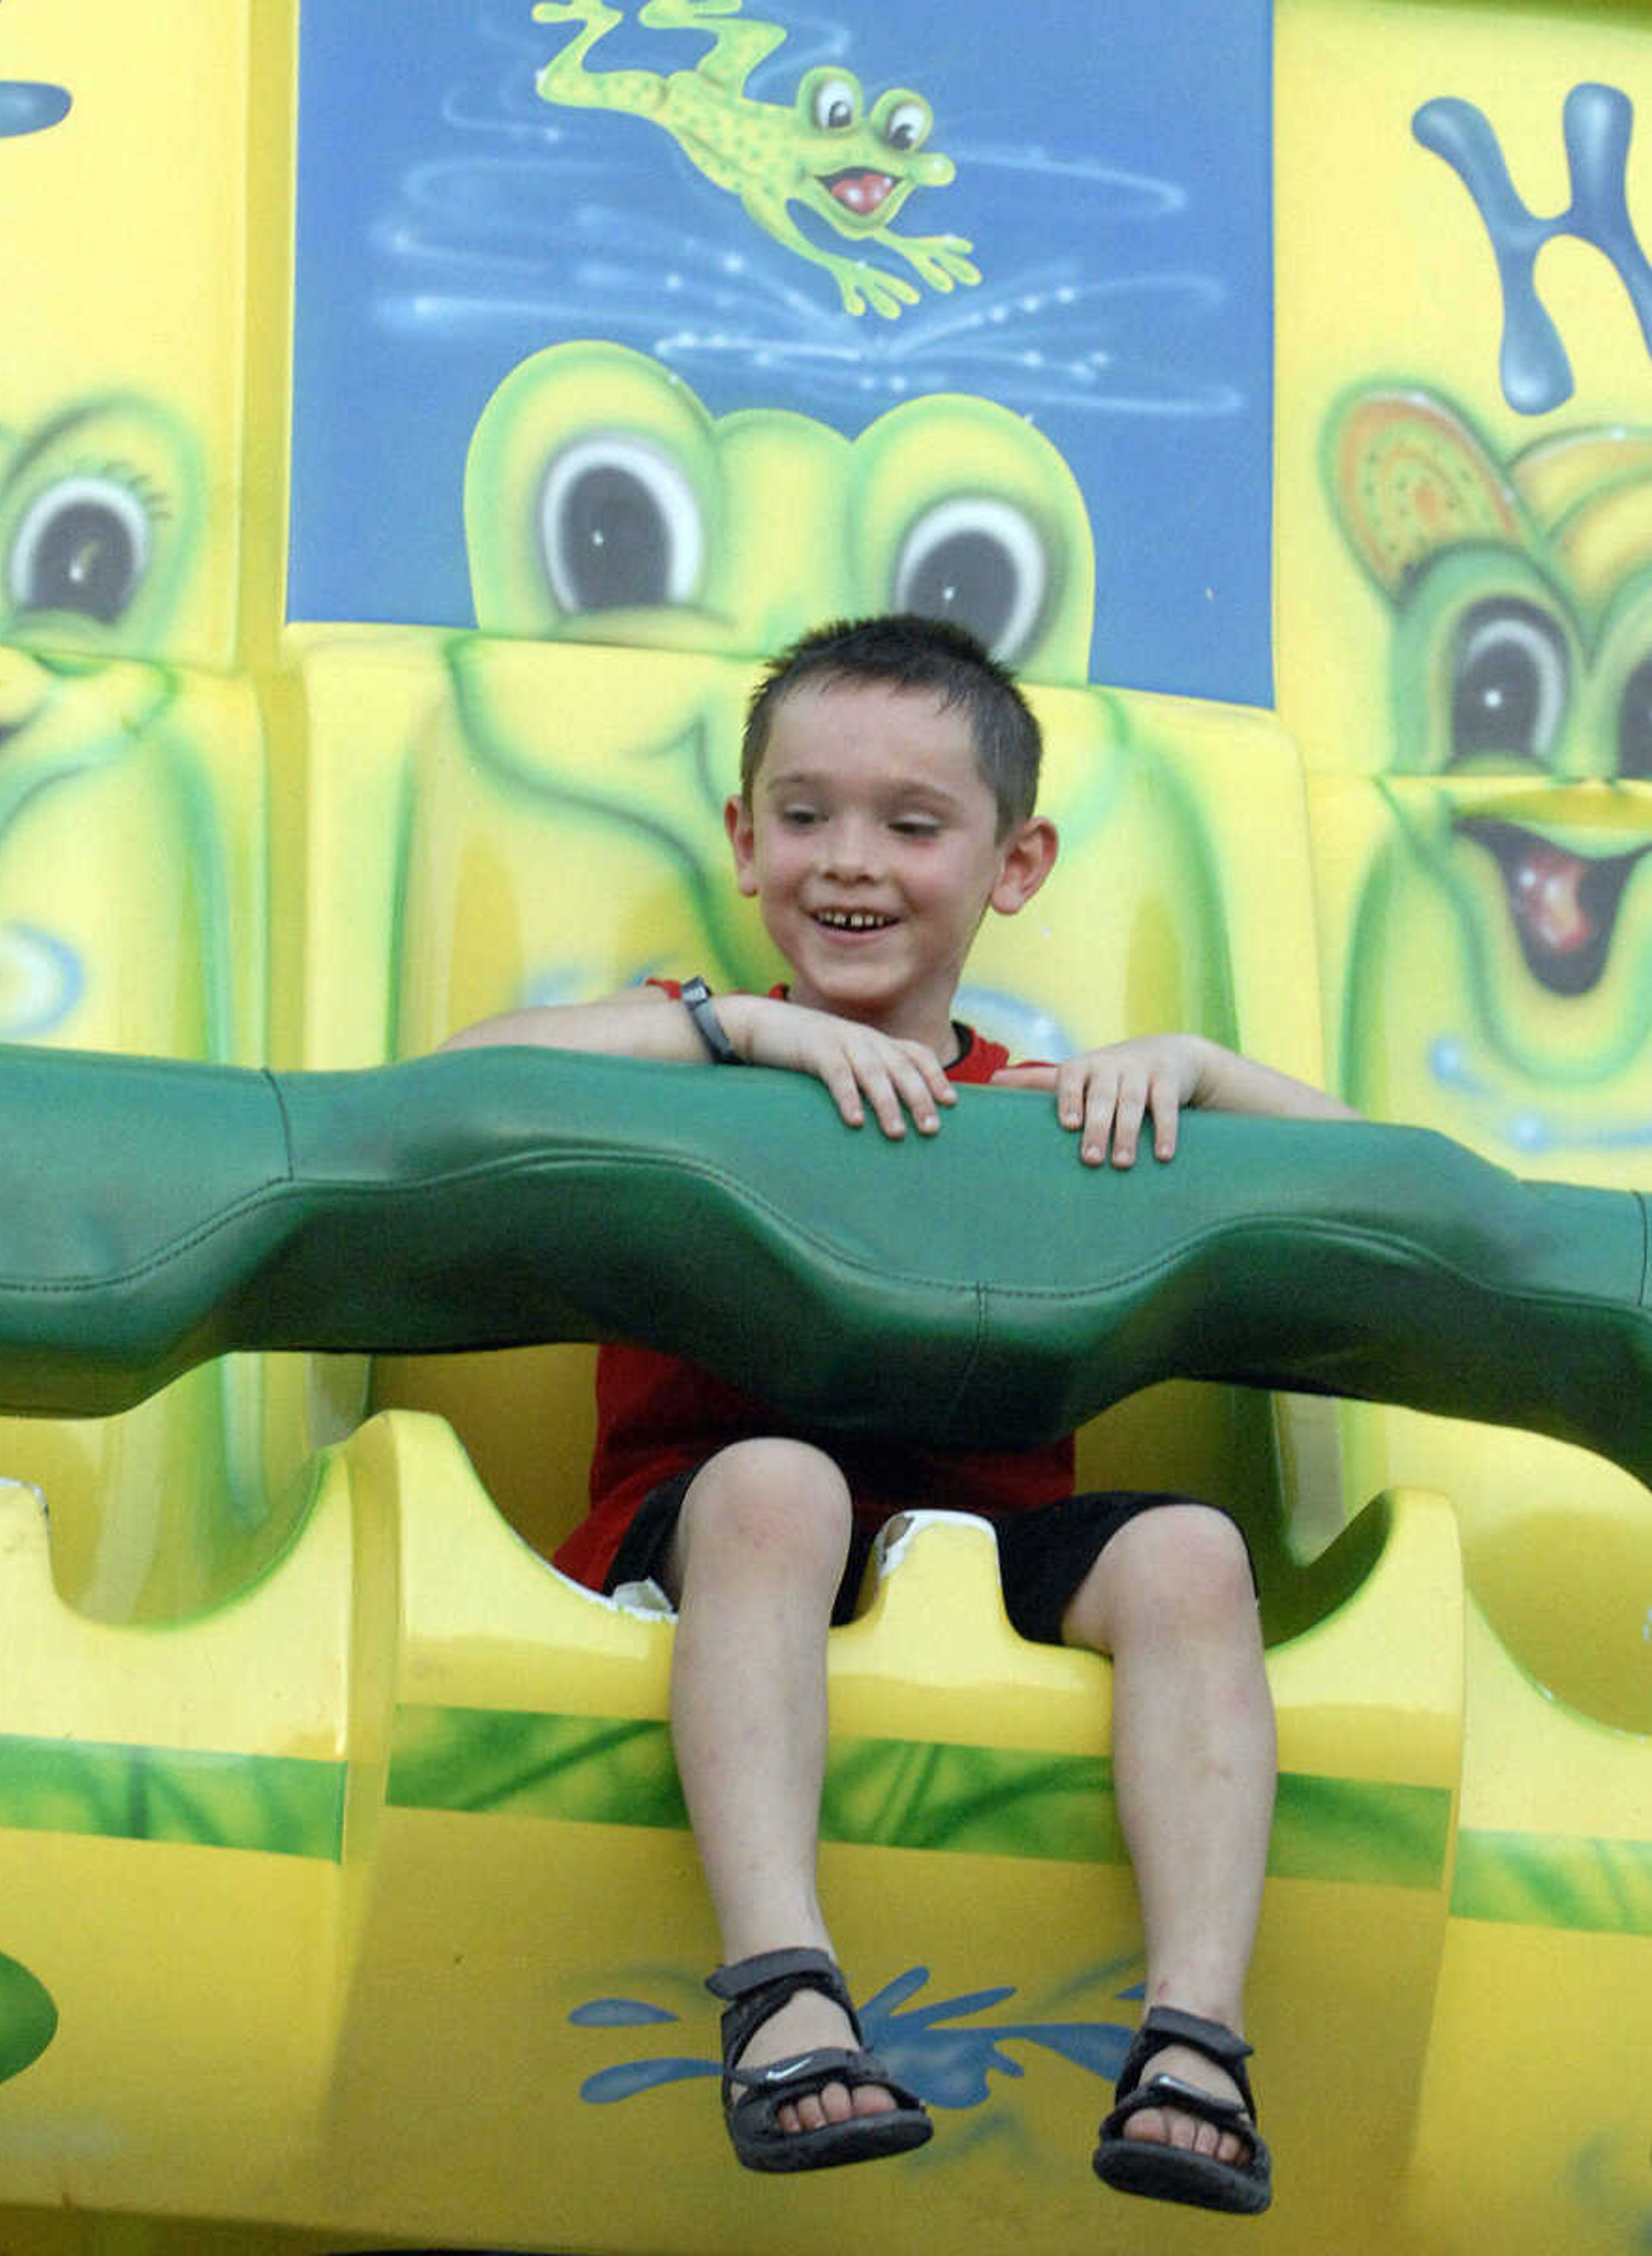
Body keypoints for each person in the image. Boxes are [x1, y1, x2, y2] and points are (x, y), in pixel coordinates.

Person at [441, 612, 1357, 2213]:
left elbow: (1376, 1181)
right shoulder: (688, 1054)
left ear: (1014, 864)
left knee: (1194, 1550)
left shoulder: (1049, 1110)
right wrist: (728, 1028)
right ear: (744, 840)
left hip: (983, 1541)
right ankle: (783, 1995)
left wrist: (1207, 1074)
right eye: (804, 817)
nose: (848, 862)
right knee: (782, 1480)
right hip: (724, 1525)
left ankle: (1194, 2034)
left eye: (913, 826)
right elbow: (448, 1085)